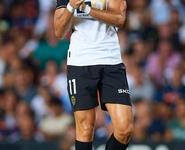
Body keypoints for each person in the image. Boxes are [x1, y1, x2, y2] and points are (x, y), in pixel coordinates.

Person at [54, 0, 133, 150]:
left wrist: (87, 9)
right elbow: (59, 31)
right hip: (80, 62)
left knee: (124, 129)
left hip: (111, 61)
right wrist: (71, 6)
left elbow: (119, 19)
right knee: (85, 129)